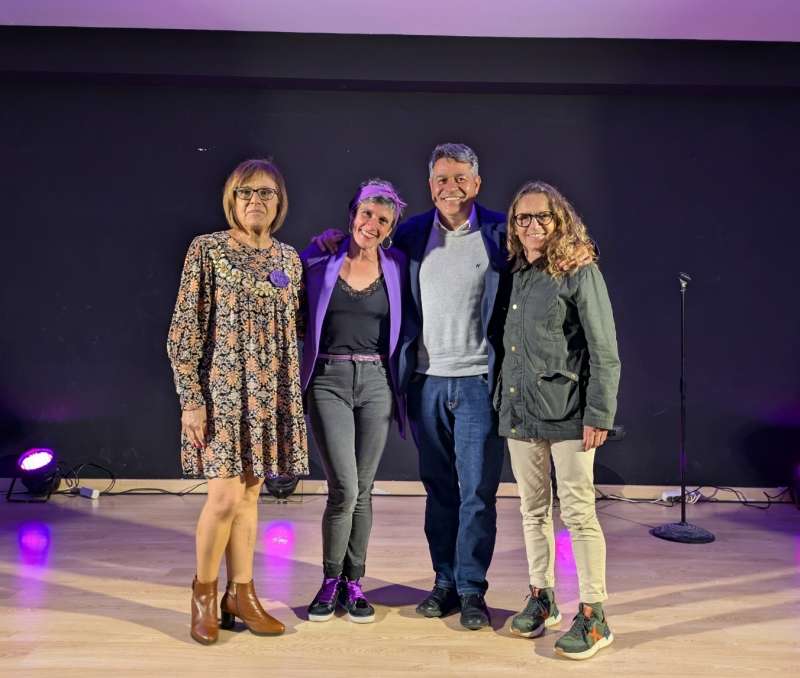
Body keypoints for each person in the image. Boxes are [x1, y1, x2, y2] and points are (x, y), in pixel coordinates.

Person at [313, 144, 591, 630]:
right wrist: (327, 242)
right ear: (430, 185)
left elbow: (544, 253)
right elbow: (364, 248)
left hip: (480, 383)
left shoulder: (501, 233)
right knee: (439, 491)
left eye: (461, 178)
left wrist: (579, 252)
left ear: (477, 184)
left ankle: (471, 590)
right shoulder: (412, 233)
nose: (451, 187)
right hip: (426, 384)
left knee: (477, 494)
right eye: (442, 178)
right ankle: (443, 583)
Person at [167, 158, 308, 645]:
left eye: (266, 192)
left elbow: (296, 327)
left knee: (250, 495)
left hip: (269, 395)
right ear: (232, 199)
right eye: (246, 192)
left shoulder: (289, 259)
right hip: (223, 393)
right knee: (224, 497)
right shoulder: (207, 249)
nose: (255, 200)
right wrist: (192, 399)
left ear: (279, 201)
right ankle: (204, 596)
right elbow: (184, 330)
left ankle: (241, 594)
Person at [496, 181, 620, 660]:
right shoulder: (518, 272)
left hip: (569, 414)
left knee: (578, 513)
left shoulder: (580, 271)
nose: (532, 226)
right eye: (523, 218)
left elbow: (604, 351)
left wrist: (598, 413)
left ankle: (594, 616)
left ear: (559, 219)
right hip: (520, 410)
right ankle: (542, 597)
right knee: (531, 510)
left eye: (542, 216)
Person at [300, 179, 408, 624]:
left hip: (377, 382)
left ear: (390, 228)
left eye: (383, 220)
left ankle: (354, 581)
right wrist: (314, 245)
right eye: (367, 214)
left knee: (363, 490)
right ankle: (330, 580)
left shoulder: (397, 266)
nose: (373, 224)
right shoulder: (319, 261)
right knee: (343, 488)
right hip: (329, 379)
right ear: (353, 215)